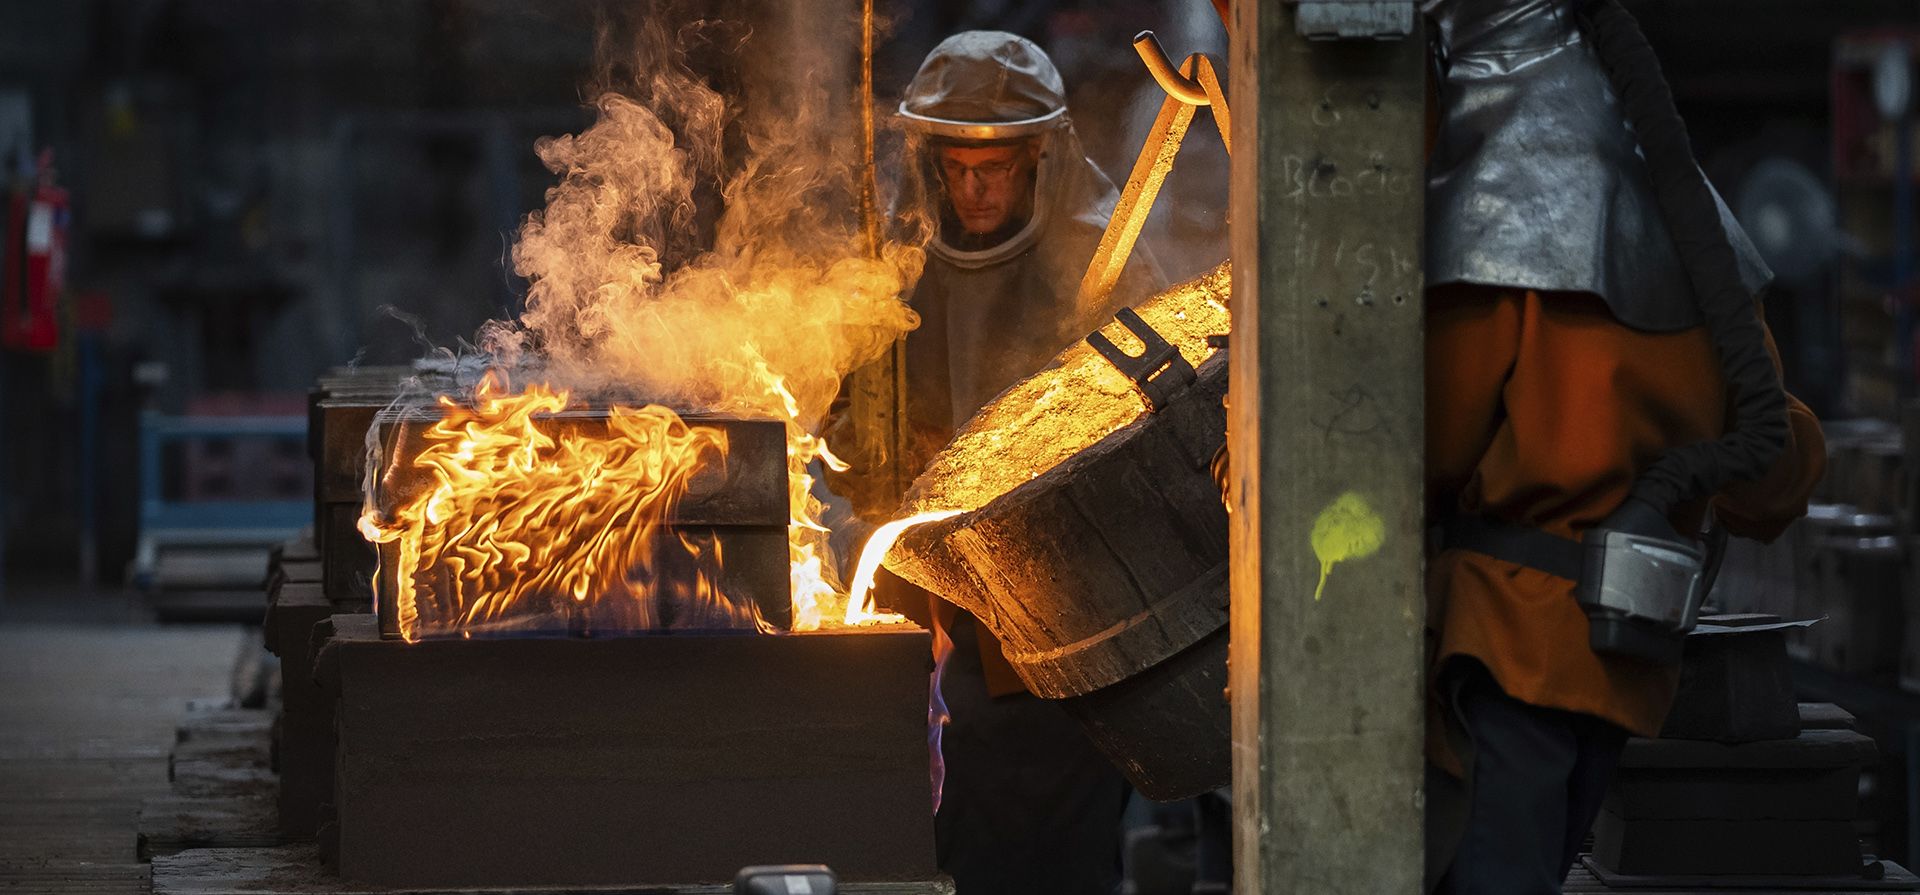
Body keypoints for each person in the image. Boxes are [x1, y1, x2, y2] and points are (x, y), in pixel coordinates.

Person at [1417, 1, 1827, 892]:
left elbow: (1416, 454)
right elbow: (1775, 478)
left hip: (1506, 655)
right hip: (1625, 664)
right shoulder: (1698, 243)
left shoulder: (1489, 245)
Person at [888, 29, 1166, 895]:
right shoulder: (902, 262)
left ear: (1040, 156)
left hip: (1065, 626)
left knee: (1049, 859)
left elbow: (1150, 441)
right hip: (939, 612)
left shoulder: (1100, 257)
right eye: (956, 165)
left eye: (997, 165)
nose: (973, 187)